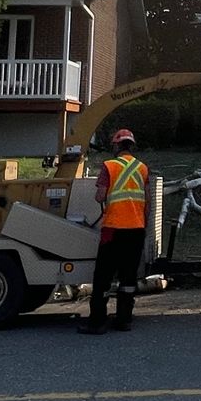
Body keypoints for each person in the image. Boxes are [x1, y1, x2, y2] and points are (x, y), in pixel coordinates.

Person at [79, 127, 149, 334]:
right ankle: (124, 320)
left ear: (117, 145)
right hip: (136, 229)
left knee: (103, 277)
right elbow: (148, 200)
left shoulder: (109, 166)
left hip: (113, 229)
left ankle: (97, 323)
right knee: (128, 277)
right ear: (131, 146)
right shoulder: (142, 168)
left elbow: (100, 197)